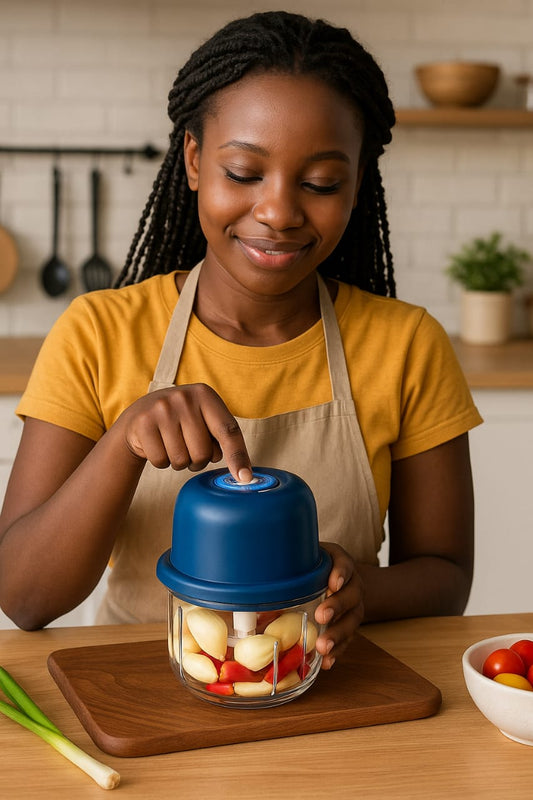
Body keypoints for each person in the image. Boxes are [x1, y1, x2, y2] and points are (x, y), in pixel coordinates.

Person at [0, 11, 481, 670]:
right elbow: (23, 597)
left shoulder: (406, 346)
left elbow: (445, 574)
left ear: (356, 184)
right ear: (195, 161)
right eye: (245, 173)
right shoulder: (98, 334)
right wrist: (124, 442)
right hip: (139, 697)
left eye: (319, 183)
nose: (279, 211)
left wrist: (363, 590)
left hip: (326, 695)